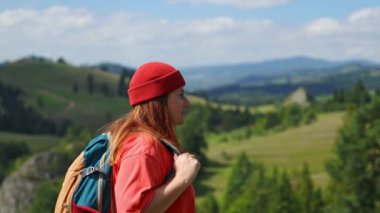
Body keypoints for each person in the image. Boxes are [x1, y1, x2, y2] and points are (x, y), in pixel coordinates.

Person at [104, 61, 201, 213]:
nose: (187, 103)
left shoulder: (152, 145)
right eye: (180, 95)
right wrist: (182, 179)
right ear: (159, 101)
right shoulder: (144, 148)